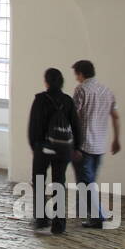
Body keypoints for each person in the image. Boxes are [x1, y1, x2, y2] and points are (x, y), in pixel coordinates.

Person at [28, 67, 84, 234]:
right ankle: (59, 224)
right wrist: (77, 147)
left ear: (46, 82)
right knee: (59, 183)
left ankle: (41, 219)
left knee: (39, 181)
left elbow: (33, 126)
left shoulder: (39, 100)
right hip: (63, 149)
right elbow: (76, 126)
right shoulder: (67, 101)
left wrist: (35, 147)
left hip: (43, 148)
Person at [71, 59, 120, 228]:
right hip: (100, 145)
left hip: (84, 145)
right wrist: (116, 139)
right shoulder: (106, 90)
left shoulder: (81, 90)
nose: (76, 78)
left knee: (86, 182)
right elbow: (115, 116)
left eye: (76, 75)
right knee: (88, 181)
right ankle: (85, 210)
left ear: (81, 74)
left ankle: (97, 217)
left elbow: (74, 116)